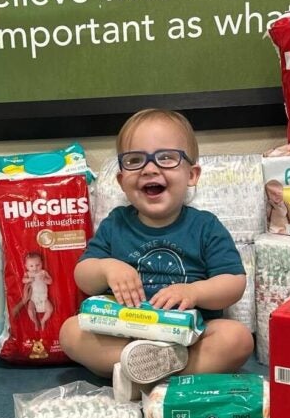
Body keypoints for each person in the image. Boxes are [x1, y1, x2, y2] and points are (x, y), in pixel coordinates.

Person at [59, 109, 253, 400]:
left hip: (187, 338)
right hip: (125, 333)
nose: (150, 169)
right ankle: (150, 373)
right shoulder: (116, 223)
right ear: (122, 180)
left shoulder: (205, 226)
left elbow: (234, 282)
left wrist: (194, 291)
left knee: (236, 338)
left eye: (166, 158)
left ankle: (141, 379)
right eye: (136, 160)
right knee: (70, 332)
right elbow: (83, 276)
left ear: (192, 174)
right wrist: (108, 268)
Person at [13, 251, 54, 331]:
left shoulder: (43, 272)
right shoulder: (28, 274)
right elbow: (23, 280)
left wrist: (45, 279)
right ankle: (35, 321)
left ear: (41, 263)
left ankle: (43, 321)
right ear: (26, 266)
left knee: (50, 309)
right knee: (30, 310)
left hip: (43, 297)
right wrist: (28, 279)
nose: (35, 268)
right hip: (32, 298)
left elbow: (50, 281)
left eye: (37, 265)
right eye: (31, 266)